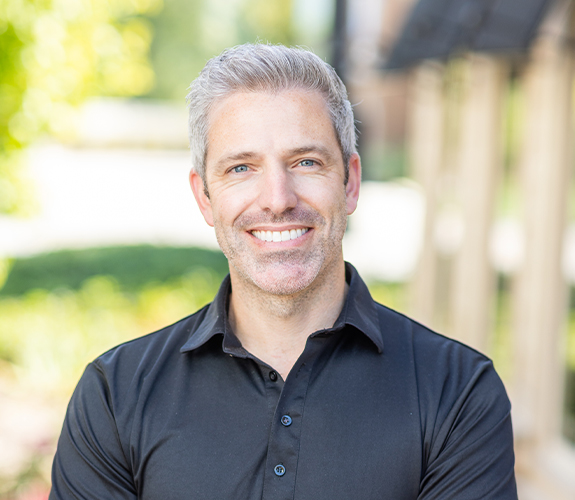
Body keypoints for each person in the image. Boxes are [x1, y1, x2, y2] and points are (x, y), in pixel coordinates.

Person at [49, 44, 517, 499]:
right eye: (241, 168)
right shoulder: (116, 395)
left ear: (350, 183)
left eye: (306, 162)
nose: (277, 198)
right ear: (204, 197)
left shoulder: (457, 393)